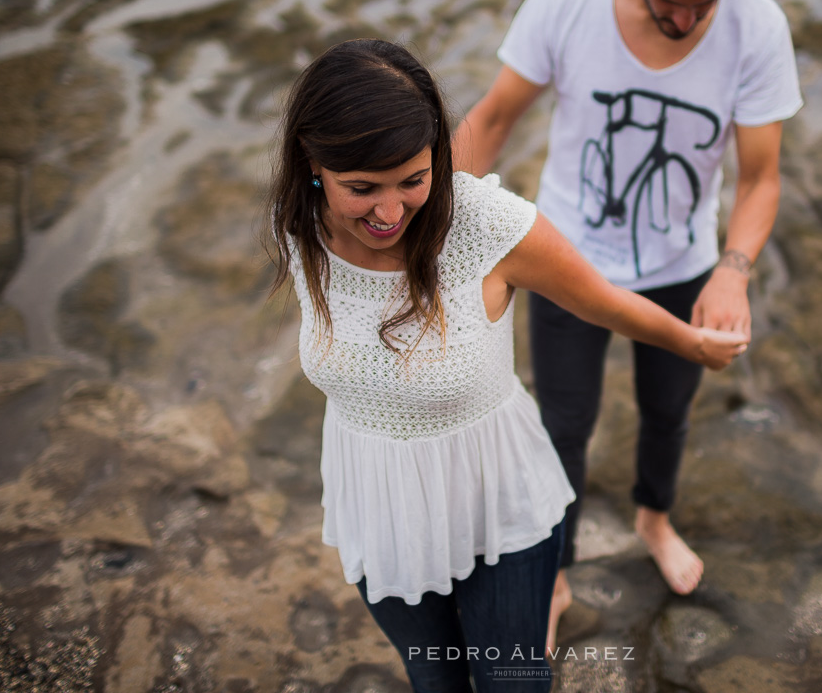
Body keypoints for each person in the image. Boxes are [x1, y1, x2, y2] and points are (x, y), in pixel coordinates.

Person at [266, 39, 745, 692]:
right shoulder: (301, 229)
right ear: (312, 166)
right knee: (435, 682)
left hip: (500, 500)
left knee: (511, 684)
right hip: (381, 503)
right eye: (361, 189)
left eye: (412, 180)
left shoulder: (485, 225)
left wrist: (690, 343)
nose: (388, 212)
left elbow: (601, 301)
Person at [454, 0, 803, 646]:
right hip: (567, 257)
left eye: (703, 6)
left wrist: (734, 272)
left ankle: (654, 518)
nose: (685, 22)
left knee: (668, 413)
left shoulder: (757, 27)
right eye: (668, 2)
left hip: (685, 264)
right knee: (565, 424)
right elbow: (494, 119)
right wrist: (428, 231)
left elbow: (762, 177)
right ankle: (551, 571)